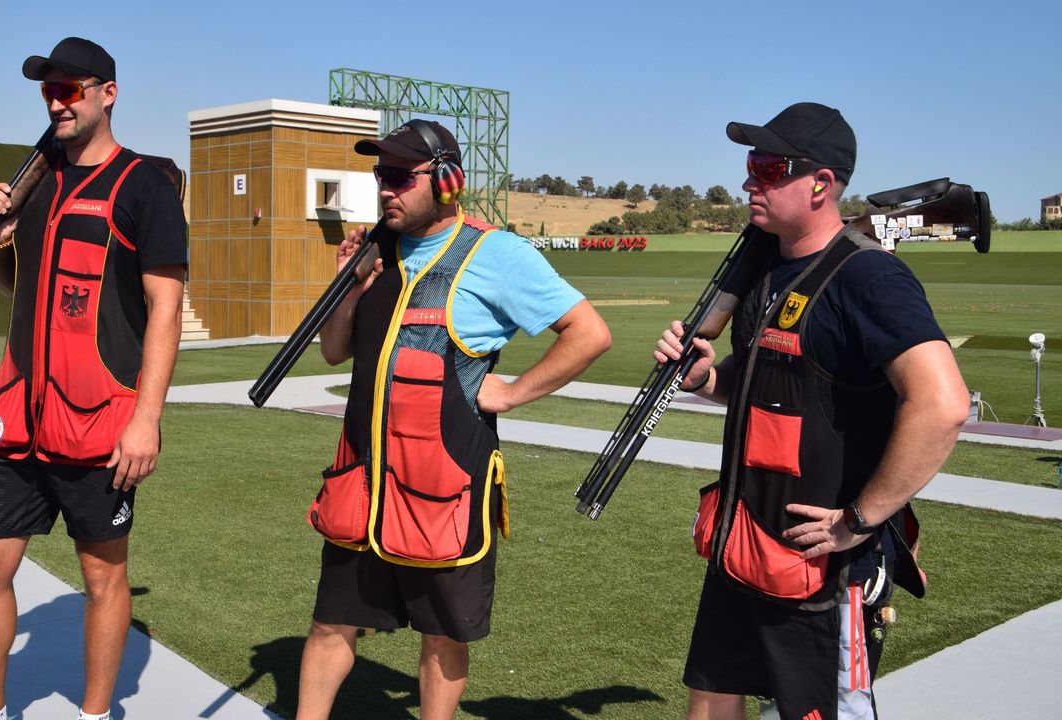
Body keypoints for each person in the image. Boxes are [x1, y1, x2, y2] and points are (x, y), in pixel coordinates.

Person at [655, 102, 969, 720]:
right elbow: (768, 390)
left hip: (824, 568)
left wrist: (860, 518)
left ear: (821, 184)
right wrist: (706, 378)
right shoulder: (765, 271)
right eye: (750, 165)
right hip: (741, 543)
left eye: (770, 168)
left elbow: (943, 404)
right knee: (712, 699)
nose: (750, 180)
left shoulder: (870, 279)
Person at [295, 120, 612, 720]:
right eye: (379, 175)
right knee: (331, 624)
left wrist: (514, 392)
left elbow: (589, 333)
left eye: (397, 176)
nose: (384, 189)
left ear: (446, 181)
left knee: (441, 638)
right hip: (361, 483)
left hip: (444, 485)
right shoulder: (376, 252)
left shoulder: (497, 253)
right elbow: (335, 350)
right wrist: (348, 285)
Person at [0, 37, 187, 720]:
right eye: (47, 90)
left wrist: (146, 417)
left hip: (99, 418)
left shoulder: (145, 185)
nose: (57, 100)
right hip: (16, 411)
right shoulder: (34, 179)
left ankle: (93, 714)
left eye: (71, 88)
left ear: (107, 93)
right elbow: (15, 288)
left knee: (100, 574)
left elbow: (165, 308)